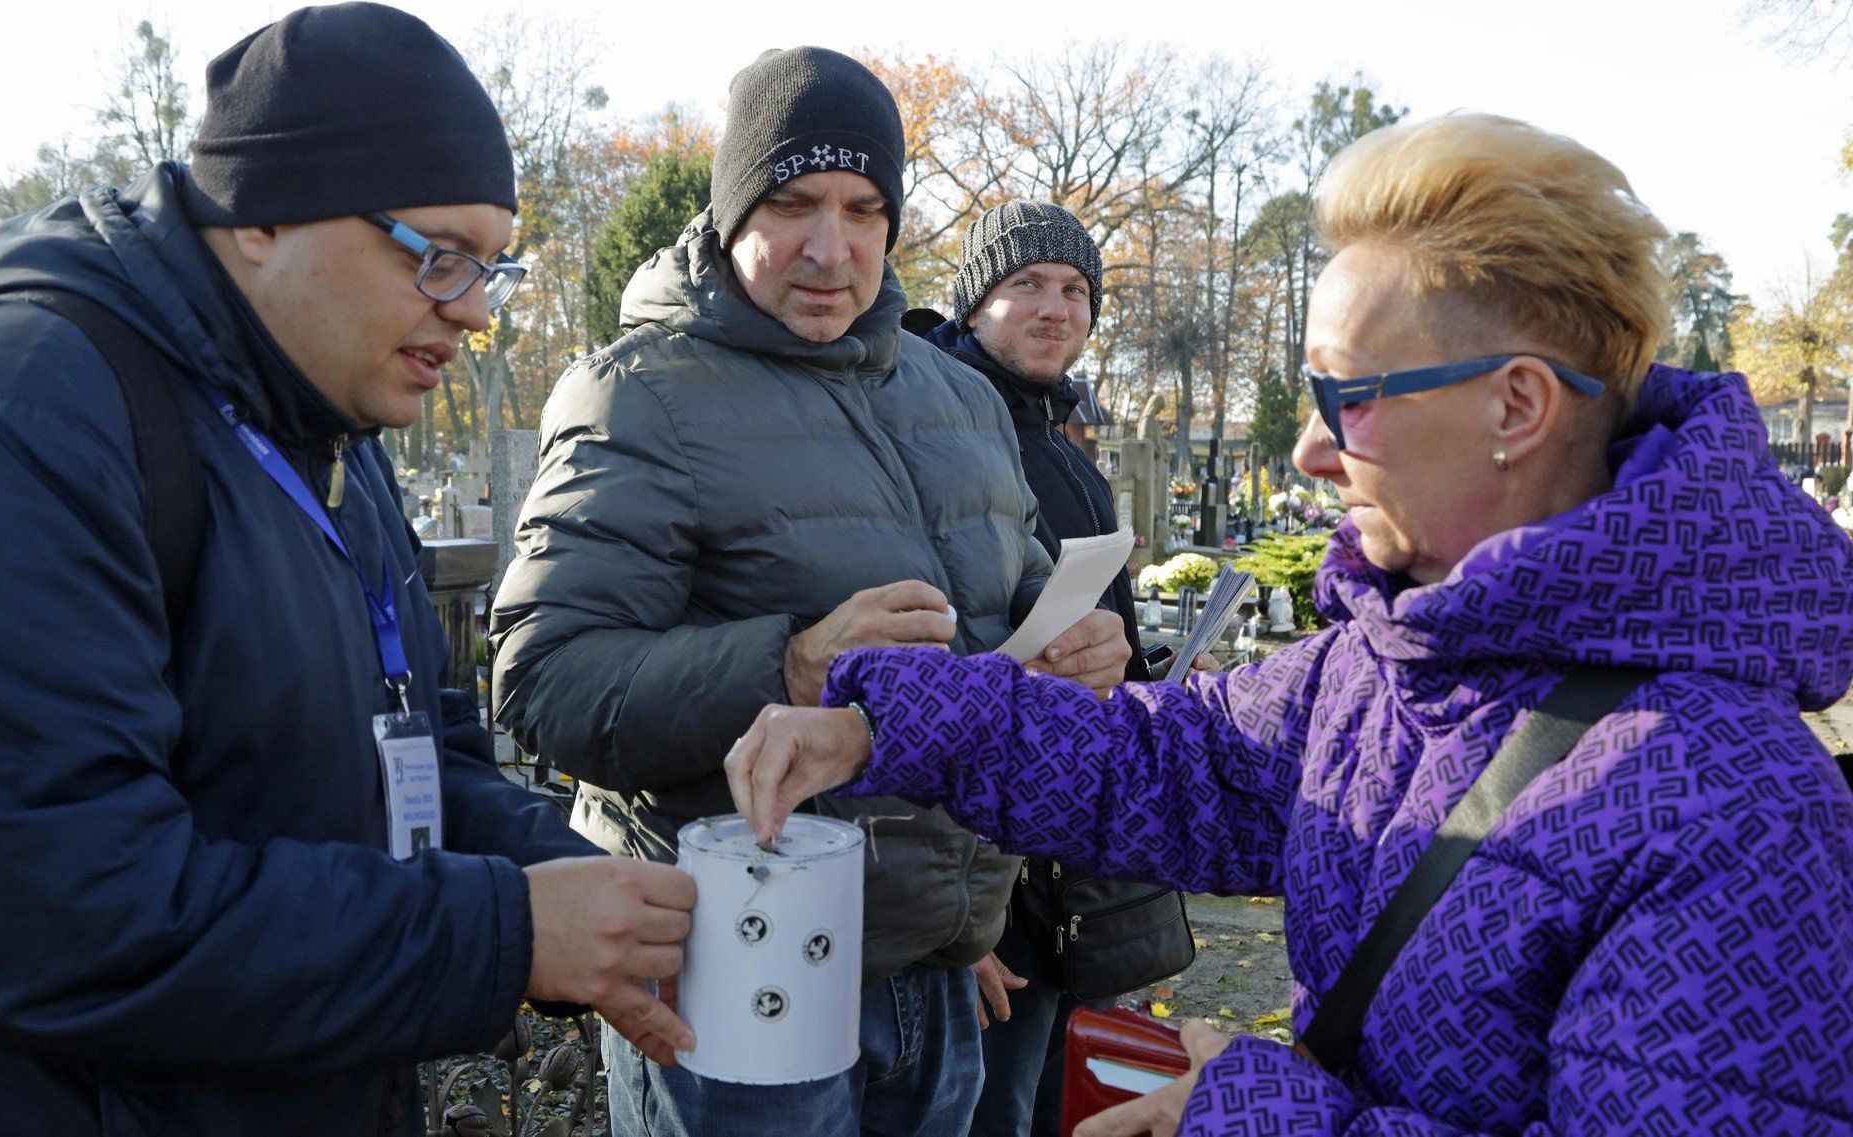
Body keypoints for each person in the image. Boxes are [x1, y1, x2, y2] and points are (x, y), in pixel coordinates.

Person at [724, 113, 1853, 1135]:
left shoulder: (1739, 809)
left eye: (1344, 396)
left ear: (1516, 405)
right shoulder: (1392, 662)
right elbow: (1170, 759)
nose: (1311, 450)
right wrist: (882, 722)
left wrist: (1250, 1110)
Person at [0, 6, 693, 1134]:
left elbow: (416, 758)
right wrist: (507, 932)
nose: (475, 312)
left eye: (492, 267)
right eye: (438, 257)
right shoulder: (27, 411)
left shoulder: (328, 415)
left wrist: (593, 891)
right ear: (263, 216)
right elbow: (60, 913)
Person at [490, 46, 1130, 1137]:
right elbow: (544, 683)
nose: (831, 249)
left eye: (864, 210)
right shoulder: (637, 394)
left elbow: (1013, 594)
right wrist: (785, 664)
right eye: (792, 205)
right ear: (732, 210)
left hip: (941, 969)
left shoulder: (957, 394)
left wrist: (1077, 640)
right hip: (739, 969)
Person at [904, 201, 1199, 1137]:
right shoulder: (930, 430)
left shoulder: (1056, 442)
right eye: (1025, 283)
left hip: (1065, 859)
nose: (1055, 308)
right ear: (974, 301)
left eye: (1075, 290)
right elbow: (915, 669)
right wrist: (956, 921)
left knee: (1061, 1106)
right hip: (991, 882)